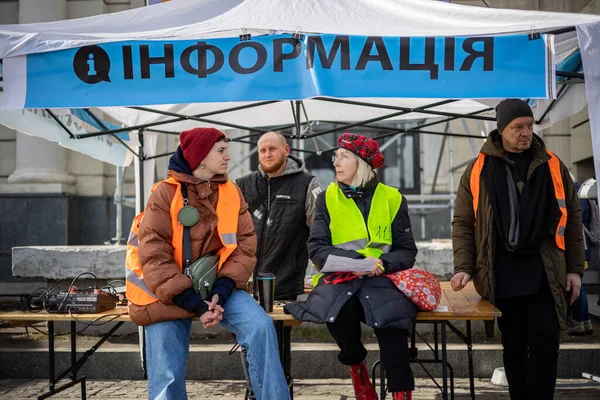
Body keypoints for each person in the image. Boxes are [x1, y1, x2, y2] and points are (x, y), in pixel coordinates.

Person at [128, 127, 290, 400]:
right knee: (167, 367)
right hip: (164, 295)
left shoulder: (231, 192)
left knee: (260, 327)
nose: (229, 156)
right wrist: (195, 304)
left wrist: (223, 289)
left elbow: (245, 246)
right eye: (221, 150)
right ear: (201, 157)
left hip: (218, 289)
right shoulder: (164, 194)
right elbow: (155, 257)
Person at [451, 99, 584, 400]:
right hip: (502, 275)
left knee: (546, 345)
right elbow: (462, 223)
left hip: (545, 274)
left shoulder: (552, 164)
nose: (526, 133)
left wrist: (575, 269)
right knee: (513, 346)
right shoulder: (477, 170)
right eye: (517, 127)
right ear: (501, 130)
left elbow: (573, 218)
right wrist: (463, 267)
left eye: (529, 126)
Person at [286, 133, 418, 400]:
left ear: (361, 163)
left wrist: (382, 263)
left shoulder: (392, 198)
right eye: (336, 156)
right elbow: (318, 248)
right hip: (341, 278)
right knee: (338, 313)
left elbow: (407, 251)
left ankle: (401, 393)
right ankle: (358, 370)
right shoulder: (326, 198)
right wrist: (359, 263)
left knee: (392, 321)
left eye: (343, 156)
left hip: (382, 278)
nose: (336, 162)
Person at [236, 131, 322, 300]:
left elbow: (319, 234)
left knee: (277, 327)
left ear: (286, 150)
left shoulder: (308, 184)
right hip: (245, 281)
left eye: (272, 149)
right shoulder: (242, 184)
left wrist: (314, 274)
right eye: (262, 150)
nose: (267, 154)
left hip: (285, 280)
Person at [568, 181, 595, 335]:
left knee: (577, 286)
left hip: (579, 246)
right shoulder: (582, 191)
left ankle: (578, 320)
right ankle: (585, 321)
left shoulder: (576, 192)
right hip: (582, 246)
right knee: (580, 285)